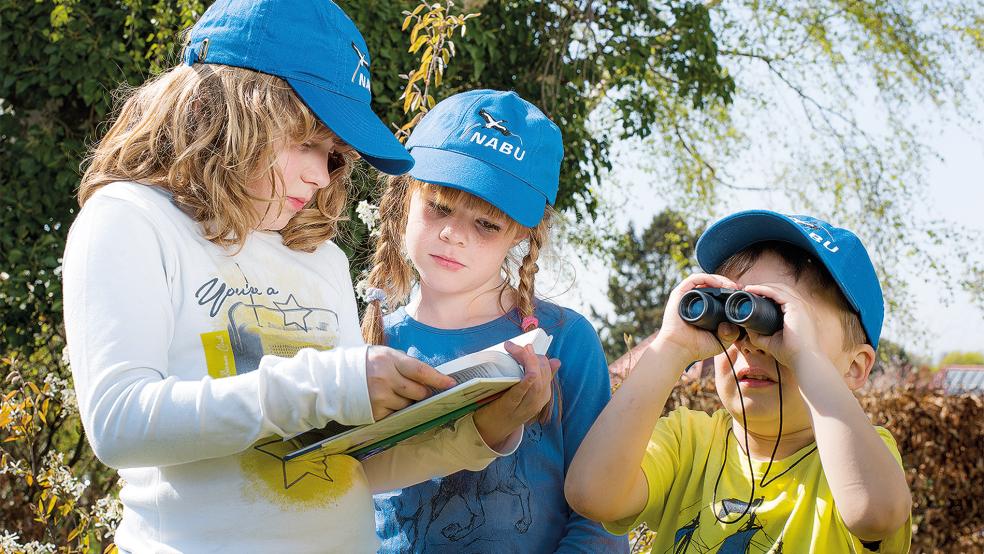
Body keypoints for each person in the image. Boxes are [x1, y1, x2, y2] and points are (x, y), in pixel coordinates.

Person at [62, 2, 553, 552]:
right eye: (305, 143)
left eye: (334, 156)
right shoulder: (131, 218)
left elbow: (343, 462)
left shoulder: (321, 259)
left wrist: (482, 434)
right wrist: (331, 385)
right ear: (223, 109)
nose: (321, 177)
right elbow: (118, 421)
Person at [363, 89, 629, 552]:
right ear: (406, 194)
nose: (453, 234)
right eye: (439, 207)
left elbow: (601, 517)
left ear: (523, 233)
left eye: (486, 223)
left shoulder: (565, 341)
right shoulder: (370, 347)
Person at [565, 210, 912, 553]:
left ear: (854, 367)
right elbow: (592, 495)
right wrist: (671, 346)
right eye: (734, 313)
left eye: (781, 320)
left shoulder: (859, 459)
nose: (750, 342)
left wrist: (804, 356)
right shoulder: (689, 441)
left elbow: (875, 513)